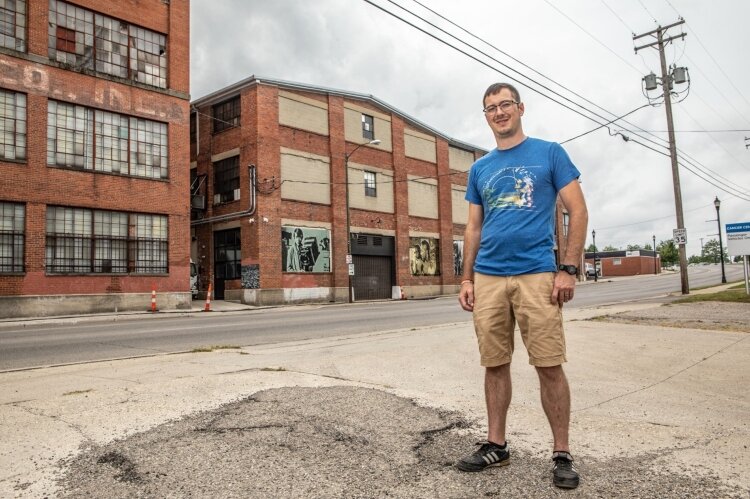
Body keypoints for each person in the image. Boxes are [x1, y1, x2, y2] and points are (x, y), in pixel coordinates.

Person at [456, 82, 588, 490]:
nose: (499, 112)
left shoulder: (549, 153)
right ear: (486, 116)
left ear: (520, 108)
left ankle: (561, 453)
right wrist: (466, 276)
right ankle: (497, 444)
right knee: (494, 363)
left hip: (536, 273)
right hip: (489, 276)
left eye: (505, 104)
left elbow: (577, 210)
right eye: (491, 108)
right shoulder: (480, 168)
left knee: (548, 364)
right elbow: (474, 227)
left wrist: (567, 268)